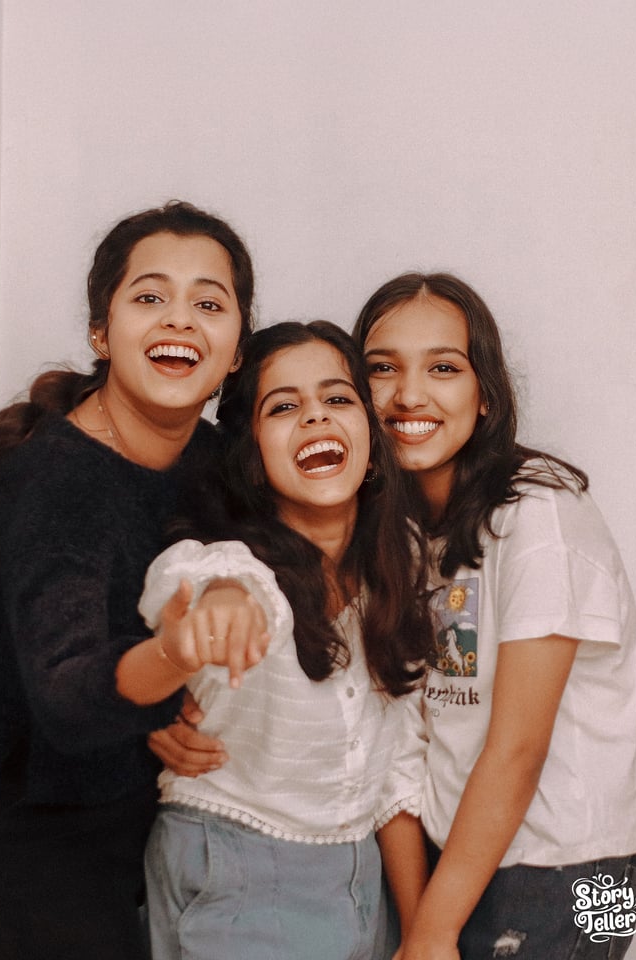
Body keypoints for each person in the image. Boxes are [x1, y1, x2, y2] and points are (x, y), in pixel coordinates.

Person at [0, 201, 269, 960]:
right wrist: (169, 664)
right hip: (13, 834)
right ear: (101, 333)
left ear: (237, 350)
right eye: (150, 296)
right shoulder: (60, 479)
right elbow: (69, 702)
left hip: (125, 815)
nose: (180, 319)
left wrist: (167, 702)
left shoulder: (213, 461)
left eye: (209, 303)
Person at [352, 272, 636, 959]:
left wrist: (433, 931)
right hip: (459, 856)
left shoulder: (541, 514)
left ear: (484, 392)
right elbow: (399, 739)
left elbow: (518, 748)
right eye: (381, 368)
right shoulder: (393, 531)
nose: (409, 394)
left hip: (584, 866)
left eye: (442, 367)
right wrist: (422, 923)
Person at [126, 321, 433, 960]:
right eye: (284, 407)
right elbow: (205, 588)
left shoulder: (400, 563)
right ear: (253, 456)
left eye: (338, 398)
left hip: (363, 889)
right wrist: (211, 616)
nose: (316, 416)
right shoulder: (231, 566)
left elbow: (395, 774)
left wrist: (421, 934)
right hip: (235, 880)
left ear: (373, 440)